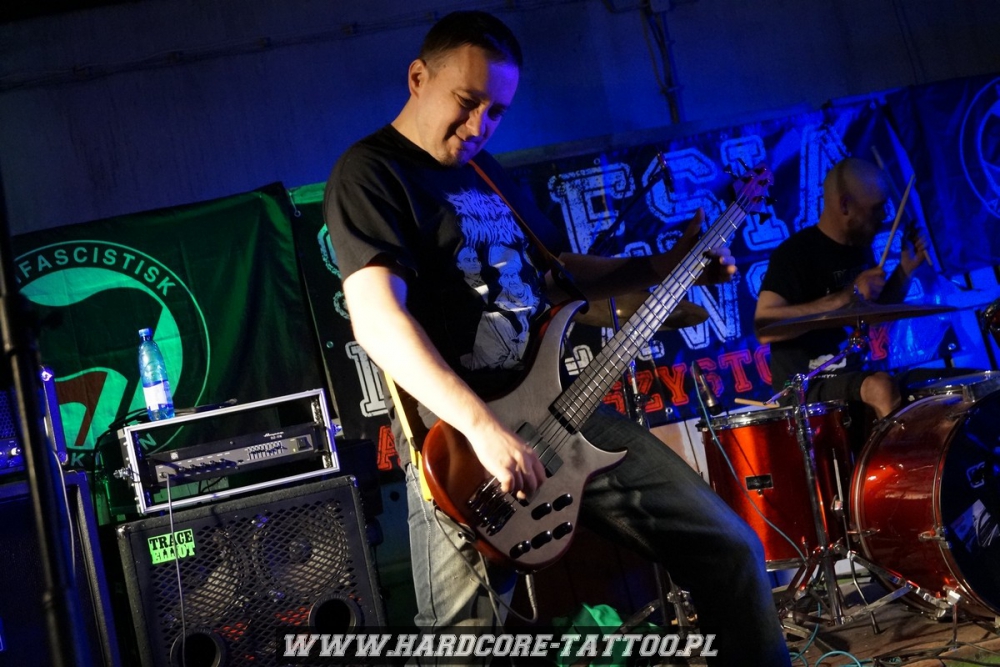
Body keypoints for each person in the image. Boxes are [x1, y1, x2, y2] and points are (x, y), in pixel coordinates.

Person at [324, 11, 791, 665]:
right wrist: (484, 430)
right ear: (418, 78)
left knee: (731, 549)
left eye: (496, 111)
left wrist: (665, 265)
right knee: (462, 648)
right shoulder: (371, 172)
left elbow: (559, 275)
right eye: (467, 101)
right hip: (461, 444)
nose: (479, 126)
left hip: (563, 414)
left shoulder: (488, 173)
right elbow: (377, 319)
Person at [754, 157, 929, 419]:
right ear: (845, 205)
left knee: (934, 384)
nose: (884, 216)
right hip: (804, 385)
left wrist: (905, 269)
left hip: (855, 373)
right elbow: (764, 328)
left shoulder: (858, 248)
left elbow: (872, 313)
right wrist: (847, 296)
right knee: (881, 388)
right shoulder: (794, 254)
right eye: (876, 209)